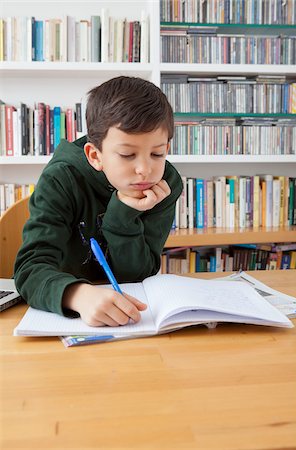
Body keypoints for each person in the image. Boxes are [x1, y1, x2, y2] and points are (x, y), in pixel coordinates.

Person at [14, 76, 183, 327]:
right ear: (95, 155)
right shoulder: (62, 179)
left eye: (157, 153)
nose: (144, 170)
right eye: (127, 154)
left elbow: (138, 275)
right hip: (69, 315)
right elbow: (30, 269)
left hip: (129, 317)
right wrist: (77, 295)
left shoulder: (165, 183)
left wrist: (122, 215)